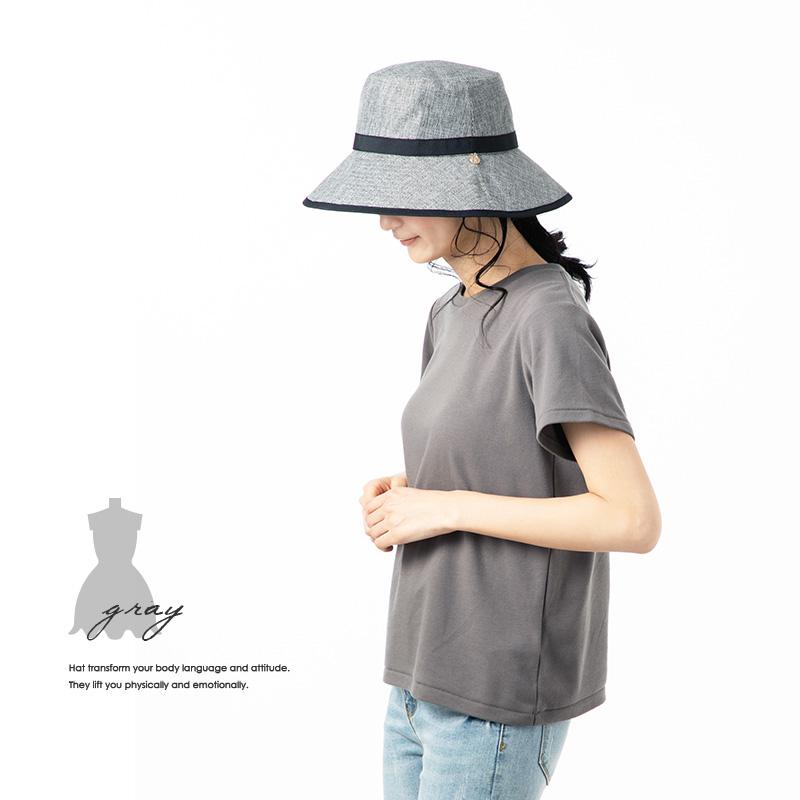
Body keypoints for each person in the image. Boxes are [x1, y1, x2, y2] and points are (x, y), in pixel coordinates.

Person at [303, 59, 661, 800]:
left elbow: (630, 519)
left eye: (404, 197)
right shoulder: (450, 310)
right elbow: (502, 461)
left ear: (473, 190)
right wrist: (411, 495)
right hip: (418, 673)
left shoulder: (548, 316)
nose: (385, 222)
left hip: (494, 694)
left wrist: (447, 506)